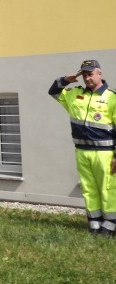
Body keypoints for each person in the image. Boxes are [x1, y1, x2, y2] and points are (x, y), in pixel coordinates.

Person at [48, 60, 116, 236]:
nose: (87, 78)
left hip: (105, 154)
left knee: (108, 188)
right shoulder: (75, 94)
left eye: (90, 74)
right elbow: (53, 91)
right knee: (88, 188)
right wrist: (66, 79)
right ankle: (95, 223)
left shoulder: (112, 97)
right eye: (84, 74)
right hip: (82, 151)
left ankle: (110, 224)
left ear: (99, 74)